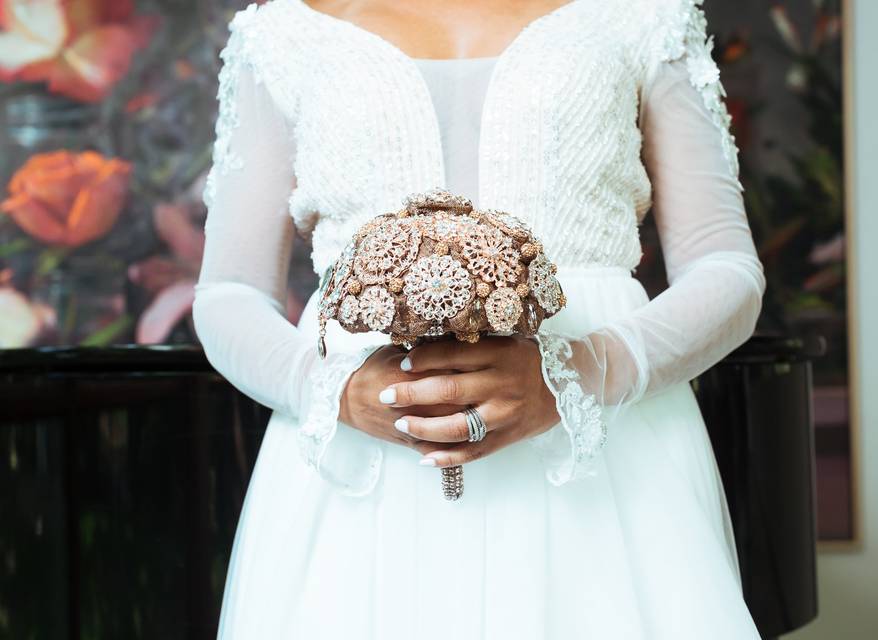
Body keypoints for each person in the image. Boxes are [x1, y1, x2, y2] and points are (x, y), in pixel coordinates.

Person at [192, 0, 767, 637]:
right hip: (360, 471)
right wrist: (332, 391)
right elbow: (229, 292)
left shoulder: (641, 16)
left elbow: (727, 267)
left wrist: (583, 369)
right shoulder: (283, 35)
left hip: (601, 452)